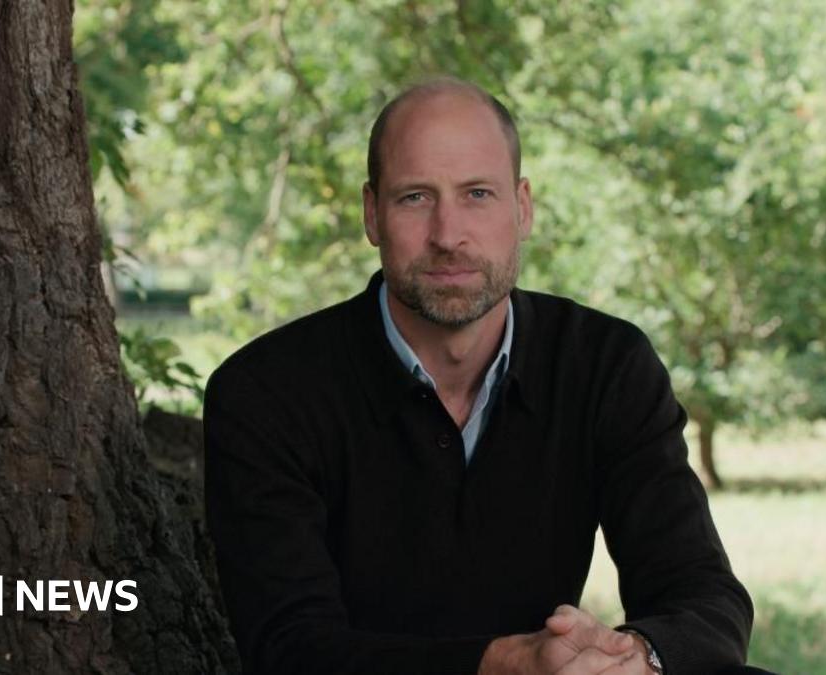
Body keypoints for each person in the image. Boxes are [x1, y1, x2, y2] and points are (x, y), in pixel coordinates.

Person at [204, 77, 755, 675]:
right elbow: (291, 647)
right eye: (415, 197)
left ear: (522, 207)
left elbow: (703, 595)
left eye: (477, 194)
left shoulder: (605, 365)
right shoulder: (264, 392)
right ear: (371, 214)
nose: (448, 235)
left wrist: (638, 661)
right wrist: (505, 664)